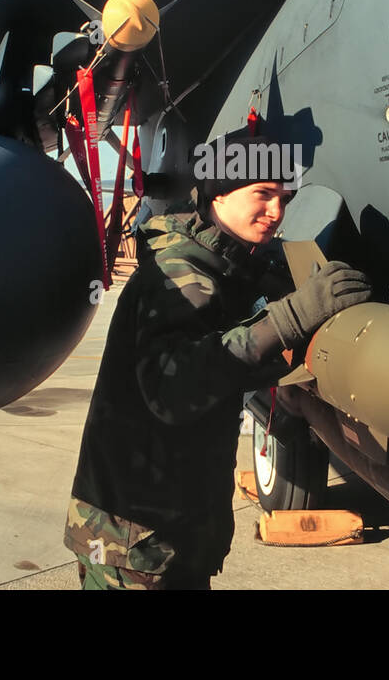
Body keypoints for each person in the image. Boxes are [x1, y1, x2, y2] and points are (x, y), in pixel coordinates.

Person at [64, 127, 372, 589]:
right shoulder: (181, 274)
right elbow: (173, 391)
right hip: (136, 543)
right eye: (263, 193)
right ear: (220, 194)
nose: (276, 211)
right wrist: (290, 318)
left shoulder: (222, 269)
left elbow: (221, 360)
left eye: (285, 198)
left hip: (168, 537)